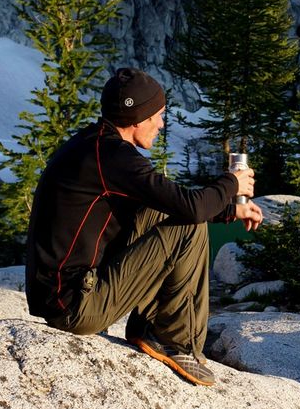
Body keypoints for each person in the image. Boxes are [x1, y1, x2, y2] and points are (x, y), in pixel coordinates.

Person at [25, 67, 263, 386]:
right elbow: (190, 210)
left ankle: (150, 328)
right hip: (74, 305)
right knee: (189, 227)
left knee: (164, 215)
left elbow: (166, 203)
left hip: (61, 295)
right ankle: (174, 341)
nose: (161, 124)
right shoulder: (112, 157)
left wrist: (230, 211)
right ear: (138, 116)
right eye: (159, 115)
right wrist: (231, 183)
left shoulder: (96, 145)